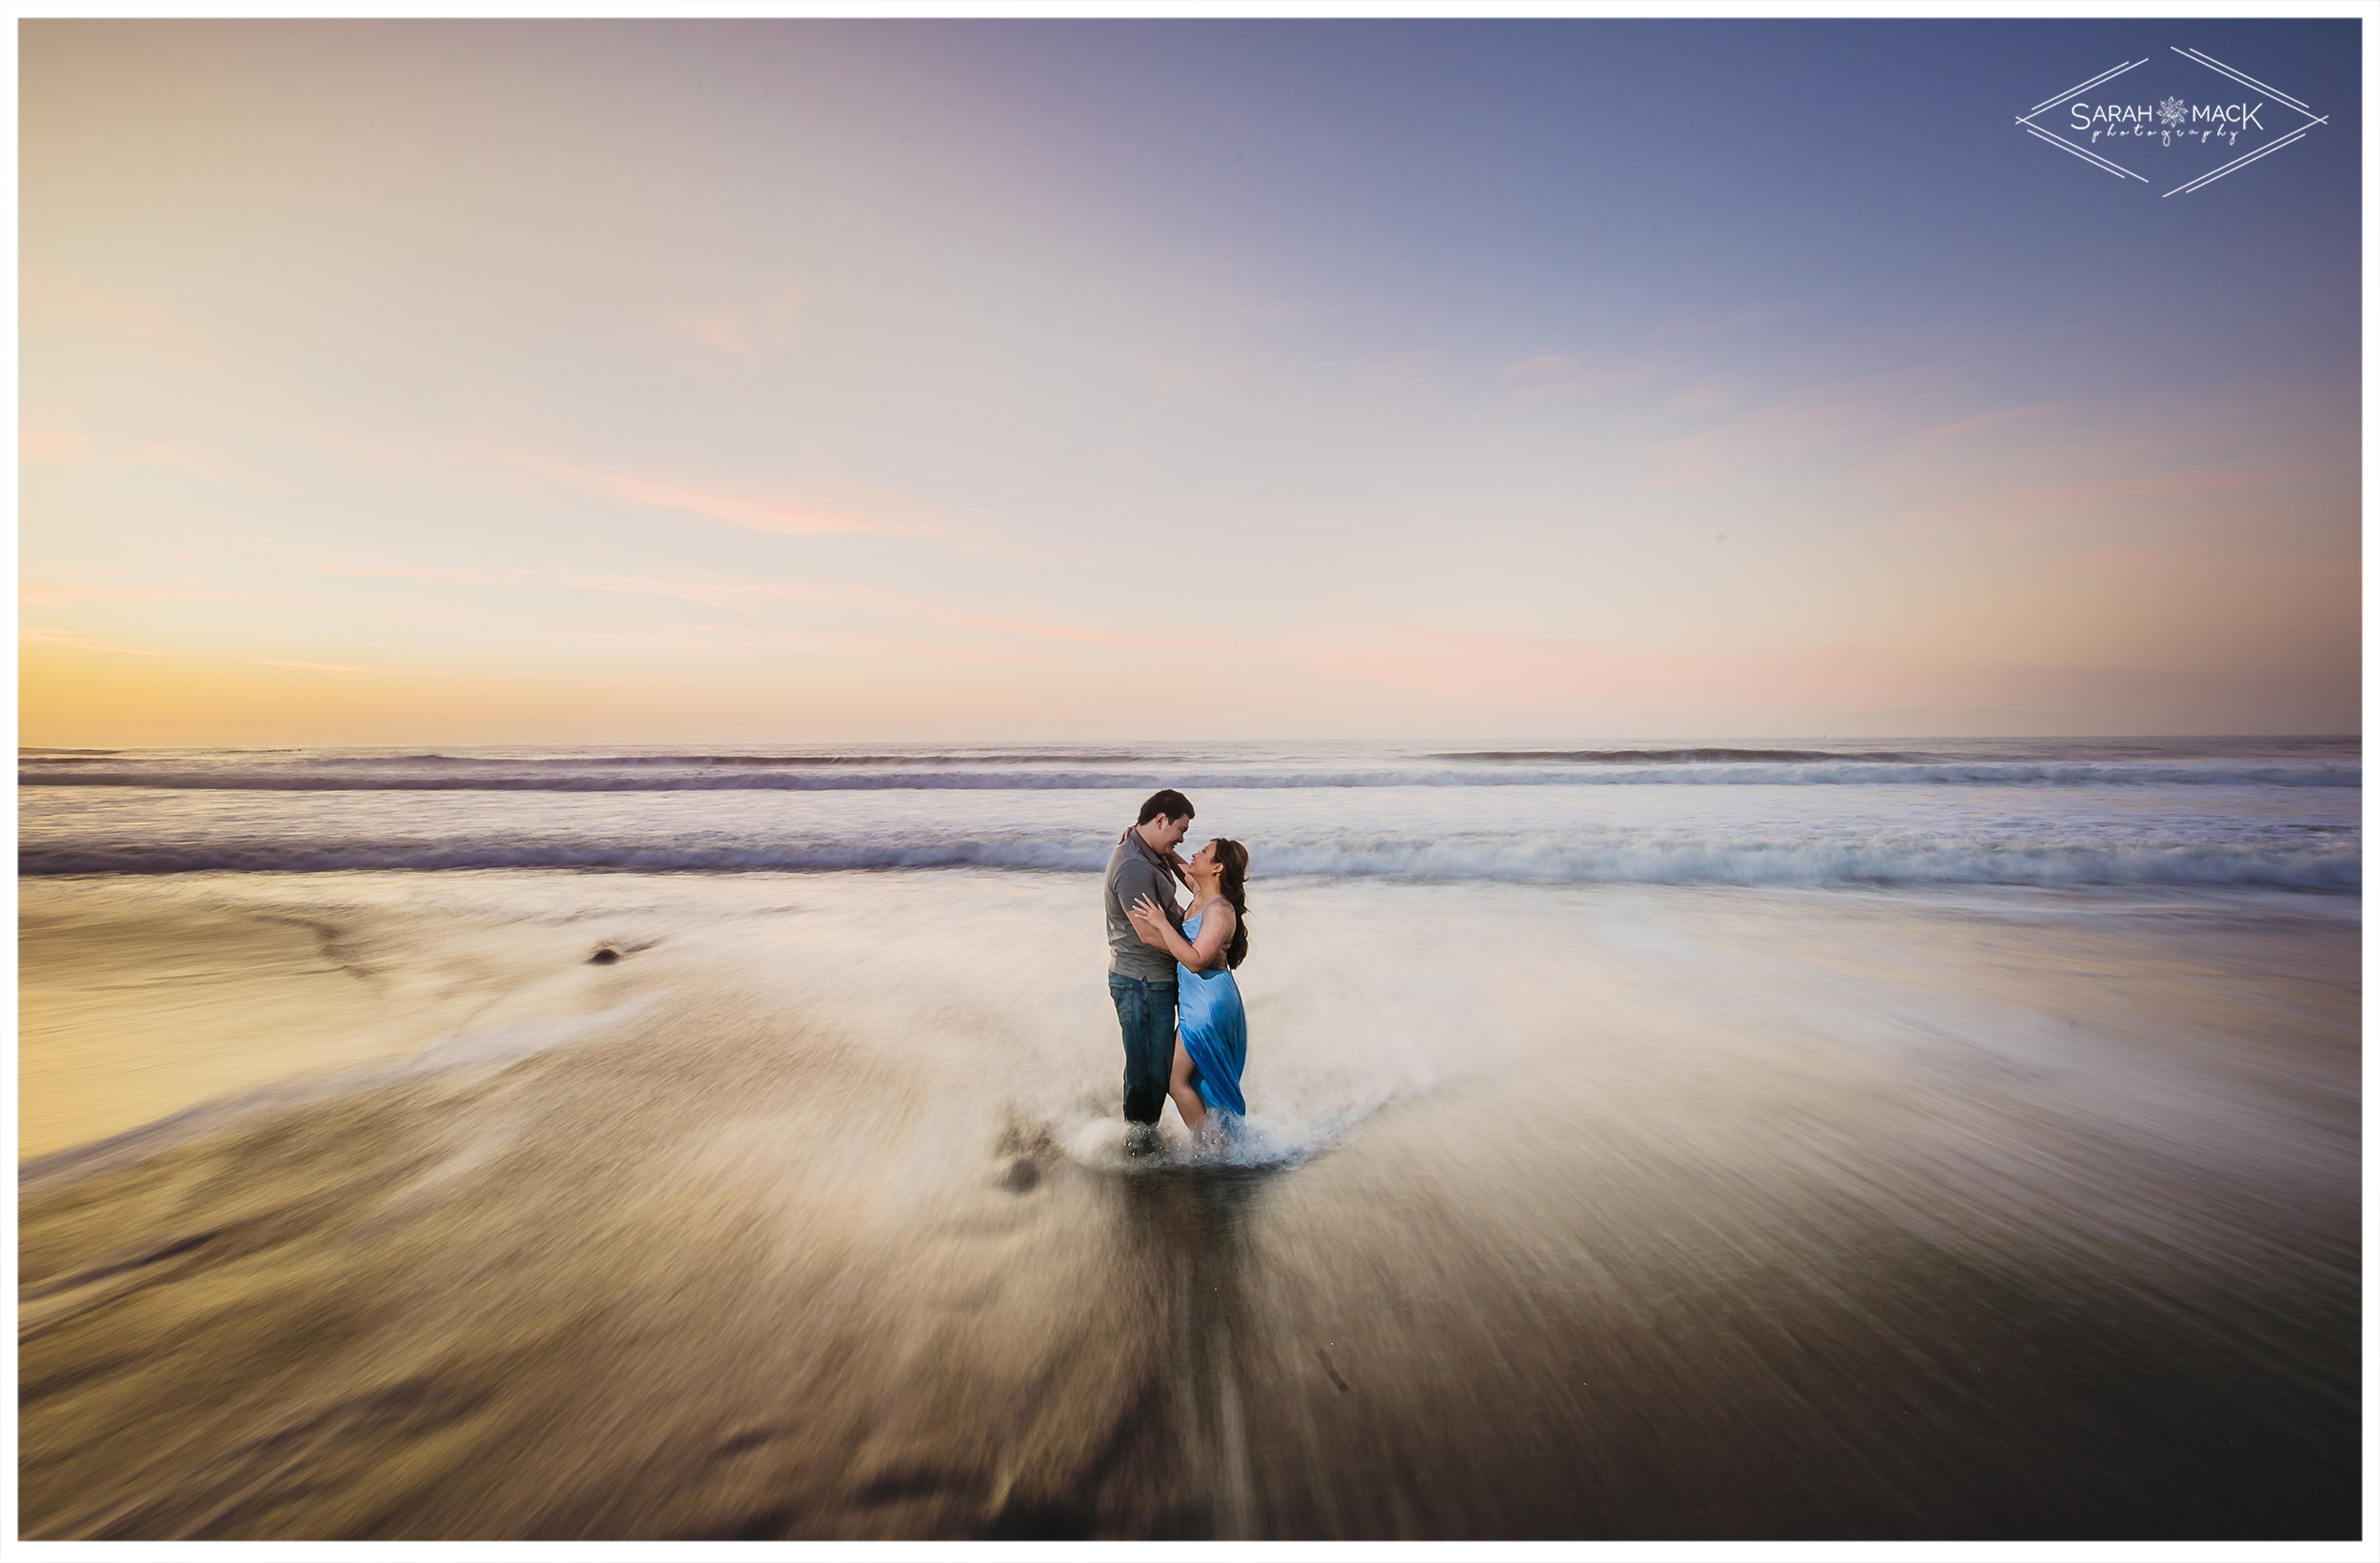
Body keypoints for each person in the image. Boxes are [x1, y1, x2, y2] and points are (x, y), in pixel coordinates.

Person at [1126, 837, 1250, 1138]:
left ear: (1218, 868)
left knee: (1174, 1079)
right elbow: (1178, 862)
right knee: (1192, 1079)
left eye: (1204, 852)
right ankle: (1217, 1144)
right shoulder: (1200, 894)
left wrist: (1161, 923)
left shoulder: (1219, 911)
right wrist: (1144, 837)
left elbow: (1196, 961)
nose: (1195, 853)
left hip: (1209, 1003)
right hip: (1199, 1000)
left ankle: (1208, 1150)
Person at [1104, 790, 1194, 1143]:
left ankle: (1144, 1139)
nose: (1182, 839)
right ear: (1160, 820)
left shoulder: (1151, 852)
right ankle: (1139, 1148)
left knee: (1157, 1069)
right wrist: (1195, 955)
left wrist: (1166, 849)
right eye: (1180, 830)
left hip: (1154, 980)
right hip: (1139, 983)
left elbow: (1179, 864)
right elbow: (1146, 933)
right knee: (1147, 1073)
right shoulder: (1133, 866)